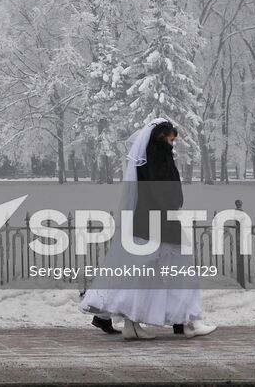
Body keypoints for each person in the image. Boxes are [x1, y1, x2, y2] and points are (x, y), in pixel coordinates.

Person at [80, 119, 216, 340]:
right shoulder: (158, 156)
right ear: (161, 137)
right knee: (179, 269)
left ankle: (132, 324)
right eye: (172, 136)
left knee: (141, 273)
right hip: (161, 221)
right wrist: (172, 205)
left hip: (145, 221)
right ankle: (190, 321)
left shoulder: (145, 158)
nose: (174, 141)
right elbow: (162, 190)